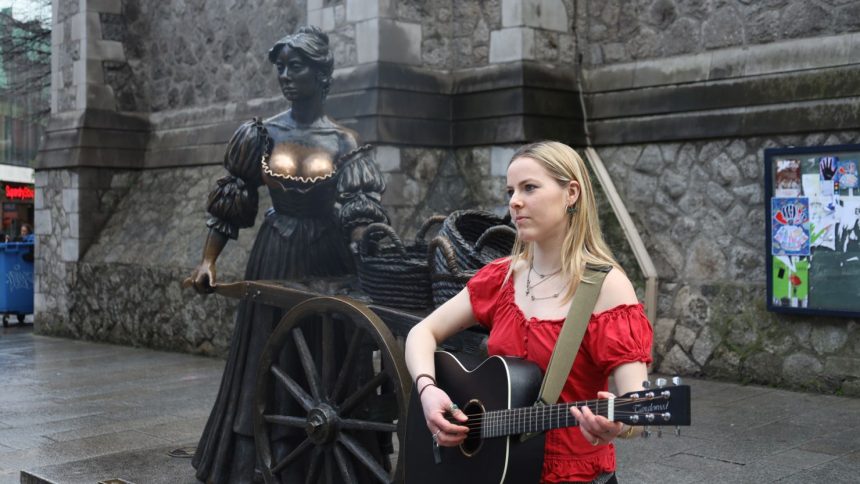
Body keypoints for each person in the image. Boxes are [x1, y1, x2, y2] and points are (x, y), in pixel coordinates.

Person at [188, 26, 388, 483]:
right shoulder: (261, 133)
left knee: (326, 353)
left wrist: (371, 250)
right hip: (276, 253)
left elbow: (361, 213)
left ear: (322, 74)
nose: (285, 75)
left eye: (296, 66)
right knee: (268, 352)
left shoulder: (343, 141)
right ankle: (257, 459)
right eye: (280, 66)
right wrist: (208, 260)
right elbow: (234, 200)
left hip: (328, 259)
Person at [405, 141, 653, 483]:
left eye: (529, 188)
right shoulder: (502, 277)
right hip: (496, 469)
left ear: (571, 193)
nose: (514, 201)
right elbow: (422, 332)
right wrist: (428, 390)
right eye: (510, 190)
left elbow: (637, 406)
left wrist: (618, 426)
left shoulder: (606, 288)